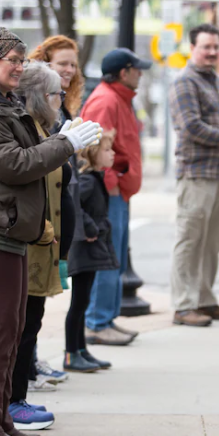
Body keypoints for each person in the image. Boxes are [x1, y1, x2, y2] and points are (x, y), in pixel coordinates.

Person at [0, 26, 101, 436]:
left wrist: (60, 139)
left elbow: (27, 157)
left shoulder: (6, 102)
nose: (20, 68)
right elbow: (14, 165)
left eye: (22, 60)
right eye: (12, 61)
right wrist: (65, 142)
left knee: (11, 331)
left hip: (14, 230)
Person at [7, 61, 79, 430]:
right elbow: (26, 171)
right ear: (38, 97)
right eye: (55, 94)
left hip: (46, 244)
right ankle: (11, 401)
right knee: (18, 325)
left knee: (29, 322)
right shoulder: (27, 130)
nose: (59, 100)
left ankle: (17, 396)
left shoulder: (40, 128)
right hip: (32, 240)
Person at [169, 23, 219, 327]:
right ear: (193, 48)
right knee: (189, 240)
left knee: (212, 242)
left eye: (216, 46)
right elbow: (190, 126)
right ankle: (183, 306)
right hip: (196, 173)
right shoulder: (184, 82)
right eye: (206, 47)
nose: (213, 52)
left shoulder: (218, 81)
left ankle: (205, 300)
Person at [80, 47, 150, 345]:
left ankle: (105, 319)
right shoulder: (106, 100)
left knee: (114, 259)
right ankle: (96, 323)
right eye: (137, 69)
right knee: (106, 259)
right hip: (109, 192)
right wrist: (110, 185)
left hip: (118, 190)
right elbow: (94, 148)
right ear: (124, 72)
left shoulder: (118, 98)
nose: (141, 74)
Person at [28, 34, 87, 382]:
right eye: (62, 63)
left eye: (72, 64)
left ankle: (30, 363)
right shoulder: (38, 112)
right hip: (42, 223)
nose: (68, 70)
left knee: (44, 297)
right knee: (30, 302)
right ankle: (26, 368)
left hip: (61, 217)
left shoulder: (64, 106)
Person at [65, 130, 119, 372]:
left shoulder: (95, 178)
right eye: (107, 150)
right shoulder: (87, 180)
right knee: (78, 303)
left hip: (92, 247)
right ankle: (70, 353)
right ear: (93, 154)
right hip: (84, 248)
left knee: (83, 300)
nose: (113, 153)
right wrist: (90, 226)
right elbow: (74, 204)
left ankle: (81, 349)